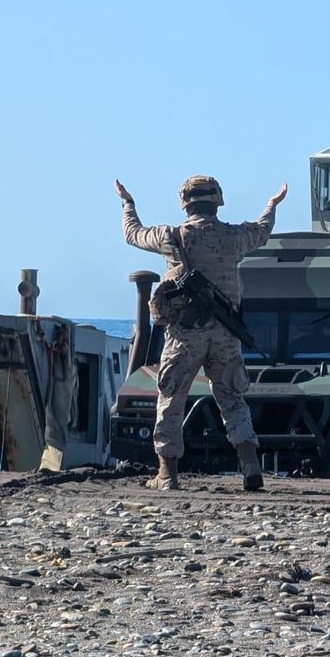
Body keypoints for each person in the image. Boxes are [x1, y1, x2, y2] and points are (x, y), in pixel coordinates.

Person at [116, 174, 288, 491]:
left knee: (171, 398)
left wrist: (128, 203)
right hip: (226, 332)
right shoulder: (235, 236)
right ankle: (250, 465)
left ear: (185, 202)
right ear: (217, 201)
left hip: (184, 333)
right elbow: (263, 231)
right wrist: (271, 205)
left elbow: (133, 234)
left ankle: (167, 474)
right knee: (233, 399)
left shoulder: (170, 236)